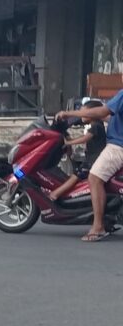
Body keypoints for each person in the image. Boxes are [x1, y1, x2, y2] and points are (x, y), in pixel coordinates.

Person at [57, 89, 123, 242]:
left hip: (117, 147)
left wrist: (70, 113)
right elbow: (112, 116)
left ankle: (98, 226)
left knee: (94, 178)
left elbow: (103, 111)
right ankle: (107, 219)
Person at [50, 100, 106, 201]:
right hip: (91, 158)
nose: (82, 116)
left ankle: (55, 194)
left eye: (84, 113)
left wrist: (68, 143)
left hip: (93, 161)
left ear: (93, 114)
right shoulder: (95, 124)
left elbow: (85, 138)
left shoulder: (96, 125)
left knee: (76, 176)